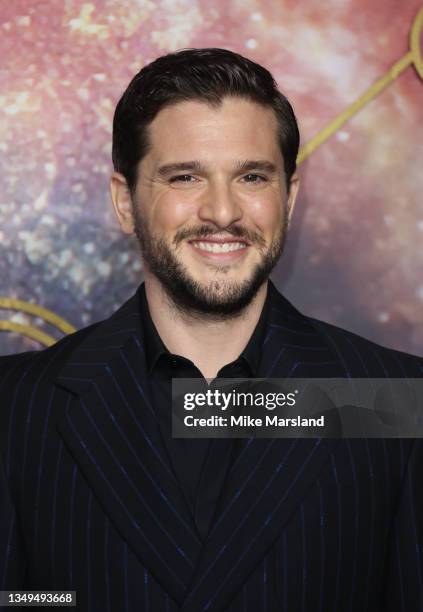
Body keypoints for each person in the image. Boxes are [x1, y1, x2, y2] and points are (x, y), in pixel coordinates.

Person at [0, 48, 422, 612]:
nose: (222, 211)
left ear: (289, 198)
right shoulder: (16, 407)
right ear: (125, 202)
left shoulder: (392, 403)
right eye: (185, 177)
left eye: (252, 176)